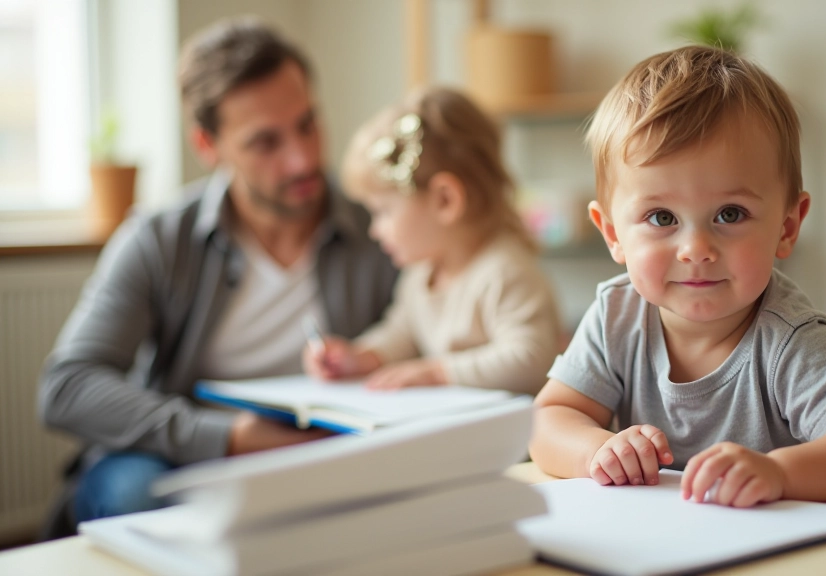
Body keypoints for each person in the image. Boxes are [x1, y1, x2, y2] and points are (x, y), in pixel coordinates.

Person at [37, 17, 397, 531]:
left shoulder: (381, 228)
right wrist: (227, 437)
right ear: (208, 145)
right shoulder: (160, 239)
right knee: (135, 492)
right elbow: (67, 386)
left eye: (307, 124)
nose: (302, 159)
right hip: (184, 455)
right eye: (265, 142)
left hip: (330, 448)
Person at [528, 46, 826, 507]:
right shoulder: (617, 315)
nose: (696, 249)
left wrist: (778, 472)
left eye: (730, 213)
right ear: (613, 235)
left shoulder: (786, 340)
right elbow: (547, 420)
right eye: (661, 218)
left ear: (787, 226)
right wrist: (597, 448)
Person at [303, 87, 561, 395]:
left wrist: (438, 372)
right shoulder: (421, 274)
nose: (374, 230)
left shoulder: (505, 272)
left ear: (445, 200)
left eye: (383, 211)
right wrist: (360, 356)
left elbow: (531, 359)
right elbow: (401, 332)